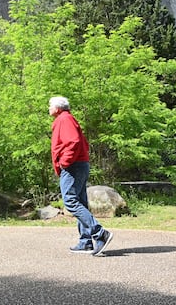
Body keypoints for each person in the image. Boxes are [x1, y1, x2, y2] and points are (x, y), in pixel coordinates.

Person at [48, 96, 113, 256]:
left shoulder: (64, 119)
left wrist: (64, 162)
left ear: (57, 108)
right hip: (79, 164)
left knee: (70, 201)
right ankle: (85, 242)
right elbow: (82, 142)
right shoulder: (68, 119)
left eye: (50, 105)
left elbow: (74, 141)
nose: (48, 108)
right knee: (81, 202)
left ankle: (100, 234)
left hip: (73, 166)